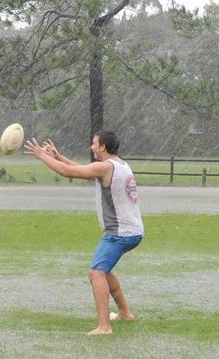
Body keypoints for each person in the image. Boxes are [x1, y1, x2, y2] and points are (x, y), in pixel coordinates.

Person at [24, 130, 143, 335]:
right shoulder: (119, 164)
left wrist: (41, 155)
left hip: (119, 233)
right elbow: (83, 169)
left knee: (96, 273)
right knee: (104, 270)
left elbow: (67, 172)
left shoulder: (105, 167)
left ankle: (104, 327)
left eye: (94, 143)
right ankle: (125, 313)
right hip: (132, 231)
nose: (91, 147)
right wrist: (58, 157)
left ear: (103, 147)